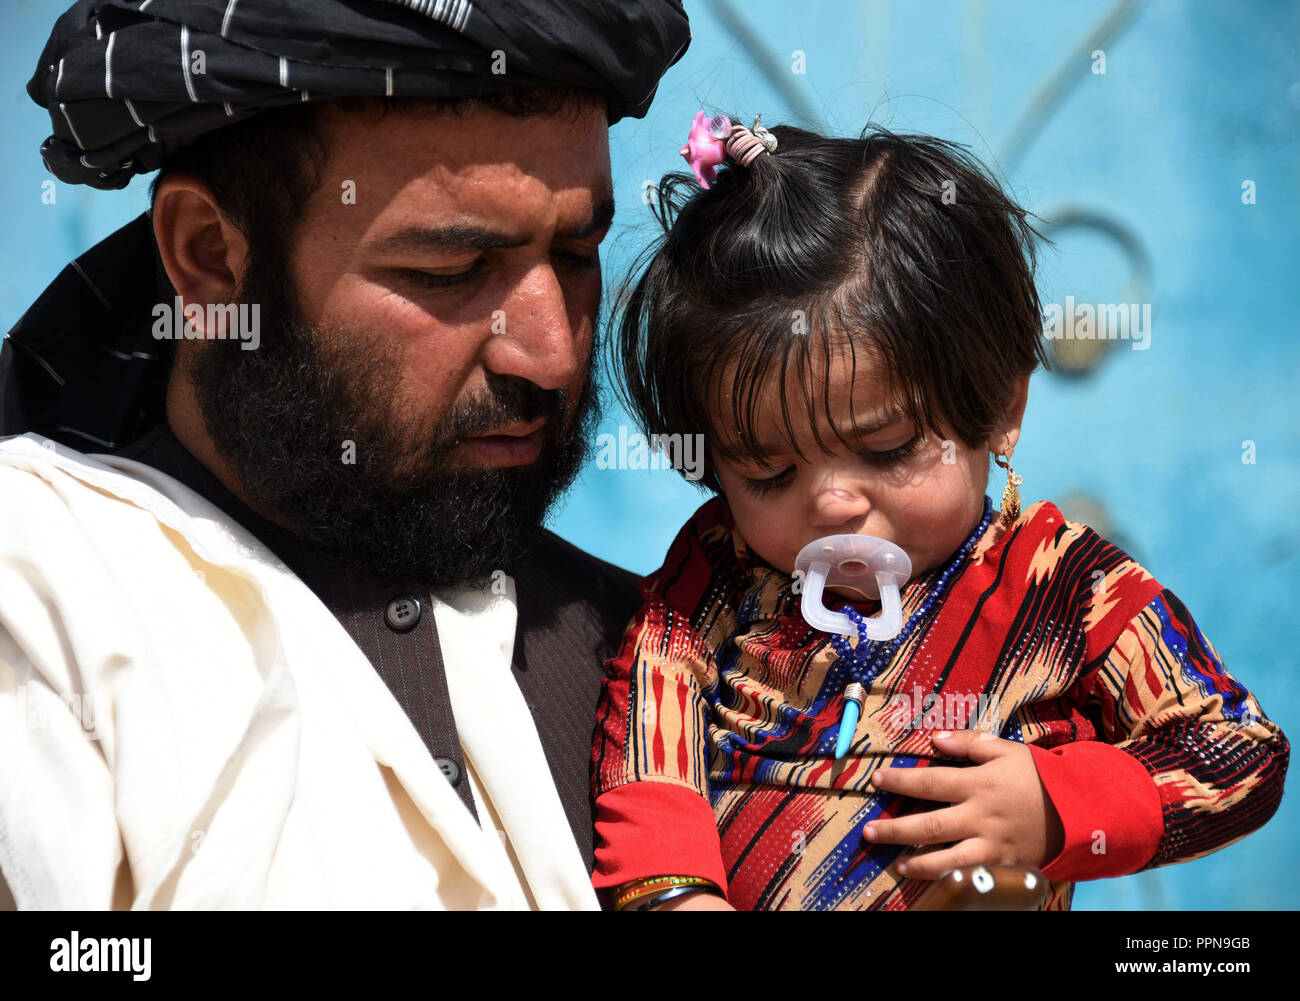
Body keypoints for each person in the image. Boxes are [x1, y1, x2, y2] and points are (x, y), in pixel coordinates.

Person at [0, 0, 690, 909]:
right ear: (209, 255)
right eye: (449, 273)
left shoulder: (656, 650)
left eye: (575, 253)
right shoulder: (47, 595)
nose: (551, 352)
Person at [590, 114, 1289, 911]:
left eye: (886, 448)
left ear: (999, 408)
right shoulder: (718, 573)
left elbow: (1238, 751)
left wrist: (1055, 805)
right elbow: (649, 732)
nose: (832, 502)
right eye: (768, 471)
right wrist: (680, 898)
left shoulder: (1066, 590)